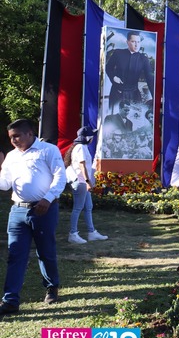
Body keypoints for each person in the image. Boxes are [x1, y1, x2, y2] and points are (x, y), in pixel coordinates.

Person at [0, 119, 66, 314]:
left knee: (45, 251)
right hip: (18, 211)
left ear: (30, 133)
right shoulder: (12, 156)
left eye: (17, 136)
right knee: (15, 255)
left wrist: (48, 198)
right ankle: (10, 301)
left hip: (43, 209)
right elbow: (5, 184)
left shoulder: (48, 150)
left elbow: (60, 176)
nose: (14, 141)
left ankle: (51, 286)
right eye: (11, 137)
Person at [66, 126, 108, 244]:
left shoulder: (81, 147)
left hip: (82, 182)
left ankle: (92, 232)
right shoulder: (81, 148)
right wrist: (88, 182)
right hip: (80, 182)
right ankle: (73, 233)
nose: (93, 138)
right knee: (78, 208)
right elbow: (82, 165)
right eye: (91, 135)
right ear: (87, 137)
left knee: (88, 207)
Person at [105, 30, 154, 111]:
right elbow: (108, 68)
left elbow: (150, 80)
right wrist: (113, 77)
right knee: (113, 120)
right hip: (117, 94)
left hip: (134, 95)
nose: (136, 44)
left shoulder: (144, 59)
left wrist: (155, 98)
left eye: (138, 42)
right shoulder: (118, 53)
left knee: (136, 120)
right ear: (127, 42)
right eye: (133, 41)